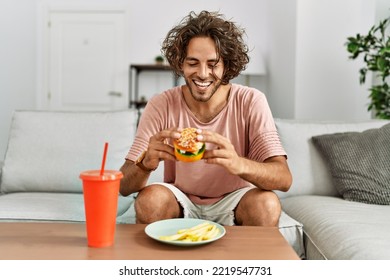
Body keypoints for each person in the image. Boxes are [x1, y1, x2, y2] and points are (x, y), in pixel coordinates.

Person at [119, 10, 292, 227]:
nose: (202, 73)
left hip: (236, 199)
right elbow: (123, 187)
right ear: (180, 63)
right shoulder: (161, 104)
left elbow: (284, 179)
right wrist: (144, 165)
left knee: (267, 203)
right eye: (193, 63)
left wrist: (239, 164)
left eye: (213, 64)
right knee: (150, 200)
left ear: (227, 66)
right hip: (180, 198)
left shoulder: (250, 101)